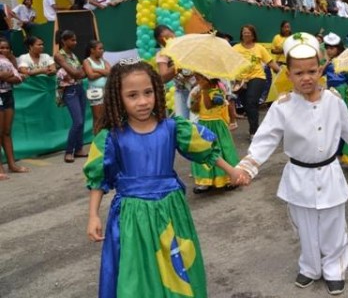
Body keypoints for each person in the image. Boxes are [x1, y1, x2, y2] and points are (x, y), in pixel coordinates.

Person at [83, 60, 247, 298]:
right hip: (132, 216)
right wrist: (93, 215)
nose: (142, 101)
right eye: (132, 95)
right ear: (118, 98)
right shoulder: (111, 137)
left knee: (177, 264)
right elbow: (98, 178)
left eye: (148, 92)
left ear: (157, 92)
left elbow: (204, 151)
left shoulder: (172, 127)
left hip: (171, 211)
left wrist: (231, 171)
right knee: (137, 271)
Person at [236, 32, 348, 295]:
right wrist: (248, 165)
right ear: (288, 74)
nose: (306, 78)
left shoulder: (335, 101)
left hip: (330, 173)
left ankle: (335, 268)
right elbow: (265, 140)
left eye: (312, 71)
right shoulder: (282, 107)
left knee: (334, 225)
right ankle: (310, 266)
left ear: (320, 69)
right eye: (299, 73)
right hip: (298, 176)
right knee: (305, 227)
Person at [188, 73, 240, 193]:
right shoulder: (199, 91)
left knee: (223, 150)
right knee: (202, 151)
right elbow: (194, 109)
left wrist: (204, 91)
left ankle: (229, 178)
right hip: (203, 125)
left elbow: (209, 105)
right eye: (196, 79)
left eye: (199, 79)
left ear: (208, 79)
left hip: (217, 125)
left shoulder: (219, 92)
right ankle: (205, 181)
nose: (197, 81)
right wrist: (196, 97)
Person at [233, 24, 280, 140]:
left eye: (248, 32)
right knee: (248, 106)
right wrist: (236, 80)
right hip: (241, 80)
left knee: (251, 100)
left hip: (257, 77)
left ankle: (254, 132)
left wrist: (282, 72)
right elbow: (230, 63)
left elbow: (270, 62)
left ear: (253, 35)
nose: (246, 33)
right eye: (244, 31)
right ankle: (256, 128)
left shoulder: (259, 48)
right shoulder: (235, 48)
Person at [54, 30, 87, 163]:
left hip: (79, 88)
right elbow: (77, 72)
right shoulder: (59, 56)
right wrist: (78, 73)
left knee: (82, 121)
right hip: (69, 90)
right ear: (64, 41)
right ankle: (69, 151)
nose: (75, 42)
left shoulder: (72, 55)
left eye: (75, 40)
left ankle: (79, 149)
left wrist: (78, 73)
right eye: (72, 40)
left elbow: (81, 73)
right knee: (77, 121)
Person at [154, 25, 195, 119]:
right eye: (163, 40)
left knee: (196, 122)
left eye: (169, 37)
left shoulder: (188, 46)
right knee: (182, 122)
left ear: (174, 33)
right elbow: (163, 77)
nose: (168, 41)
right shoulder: (162, 54)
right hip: (181, 91)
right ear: (159, 42)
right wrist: (177, 65)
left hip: (197, 88)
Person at [0, 38, 27, 180]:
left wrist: (7, 76)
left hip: (8, 95)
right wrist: (7, 75)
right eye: (1, 48)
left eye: (6, 48)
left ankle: (12, 164)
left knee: (6, 132)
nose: (3, 50)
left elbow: (18, 78)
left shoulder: (10, 61)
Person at [83, 40, 110, 135]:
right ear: (92, 50)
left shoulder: (104, 61)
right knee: (98, 118)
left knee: (106, 117)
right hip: (95, 92)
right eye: (100, 48)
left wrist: (95, 69)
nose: (102, 50)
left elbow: (110, 72)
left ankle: (105, 138)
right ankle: (97, 140)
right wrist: (103, 72)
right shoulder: (86, 61)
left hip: (106, 92)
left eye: (103, 48)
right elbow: (91, 76)